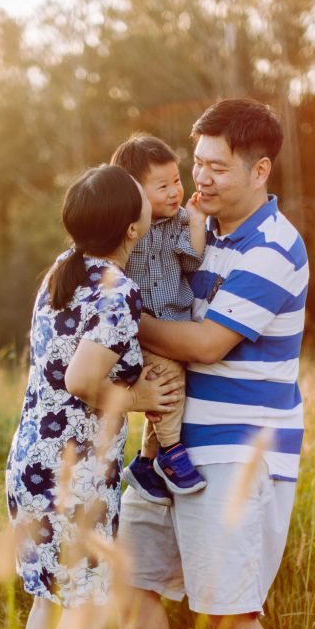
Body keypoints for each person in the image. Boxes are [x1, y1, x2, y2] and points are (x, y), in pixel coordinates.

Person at [97, 98, 309, 629]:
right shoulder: (196, 232)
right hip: (168, 450)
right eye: (198, 165)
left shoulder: (275, 247)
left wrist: (126, 316)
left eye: (218, 168)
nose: (203, 179)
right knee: (131, 580)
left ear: (259, 168)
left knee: (227, 606)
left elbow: (207, 342)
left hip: (237, 454)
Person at [5, 164, 182, 629]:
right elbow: (83, 380)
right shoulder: (116, 292)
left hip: (32, 459)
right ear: (133, 225)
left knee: (49, 606)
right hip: (73, 474)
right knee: (75, 613)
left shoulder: (64, 269)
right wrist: (140, 403)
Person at [110, 133, 207, 502]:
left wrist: (197, 222)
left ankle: (144, 462)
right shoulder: (128, 228)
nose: (174, 192)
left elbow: (191, 260)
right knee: (167, 380)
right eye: (162, 186)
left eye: (177, 181)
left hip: (175, 322)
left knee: (167, 381)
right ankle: (170, 452)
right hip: (142, 330)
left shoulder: (181, 220)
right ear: (134, 191)